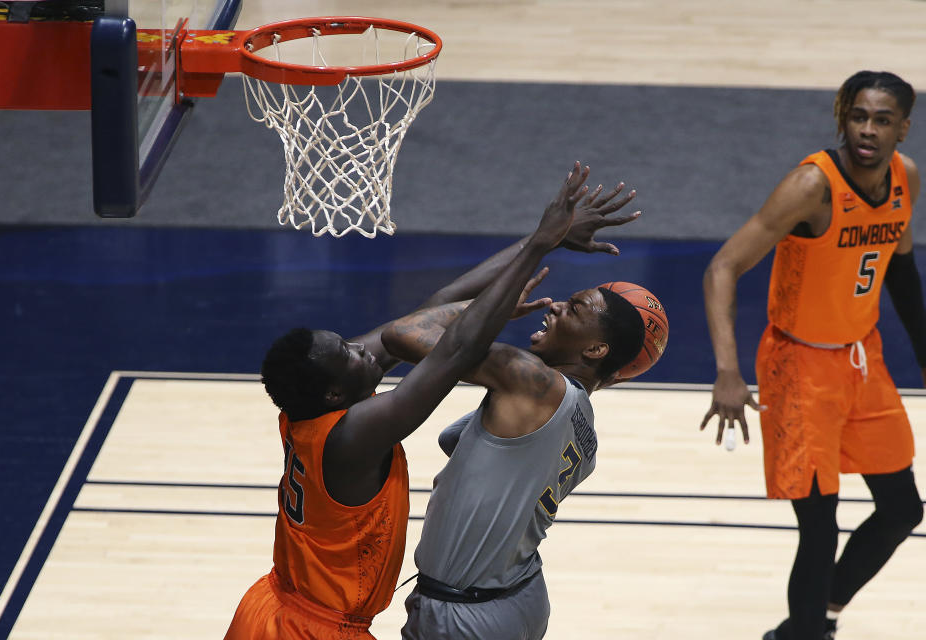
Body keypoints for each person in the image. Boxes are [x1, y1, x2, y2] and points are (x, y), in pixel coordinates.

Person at [222, 162, 641, 640]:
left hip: (276, 606)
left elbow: (426, 317)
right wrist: (538, 246)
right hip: (311, 629)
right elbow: (451, 349)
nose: (365, 349)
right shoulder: (357, 434)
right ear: (336, 393)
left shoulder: (313, 405)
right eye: (352, 353)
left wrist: (532, 251)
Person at [701, 70, 925, 640]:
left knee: (902, 509)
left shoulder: (906, 178)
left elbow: (899, 269)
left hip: (861, 359)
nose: (867, 130)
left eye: (881, 119)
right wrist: (727, 372)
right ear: (841, 117)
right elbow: (722, 268)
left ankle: (814, 618)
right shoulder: (811, 186)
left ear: (904, 127)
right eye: (857, 116)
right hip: (796, 366)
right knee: (820, 528)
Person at [381, 233, 664, 638]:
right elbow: (466, 451)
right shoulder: (586, 432)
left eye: (575, 308)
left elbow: (402, 334)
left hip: (466, 615)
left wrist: (490, 310)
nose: (555, 305)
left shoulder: (532, 381)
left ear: (596, 350)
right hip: (518, 598)